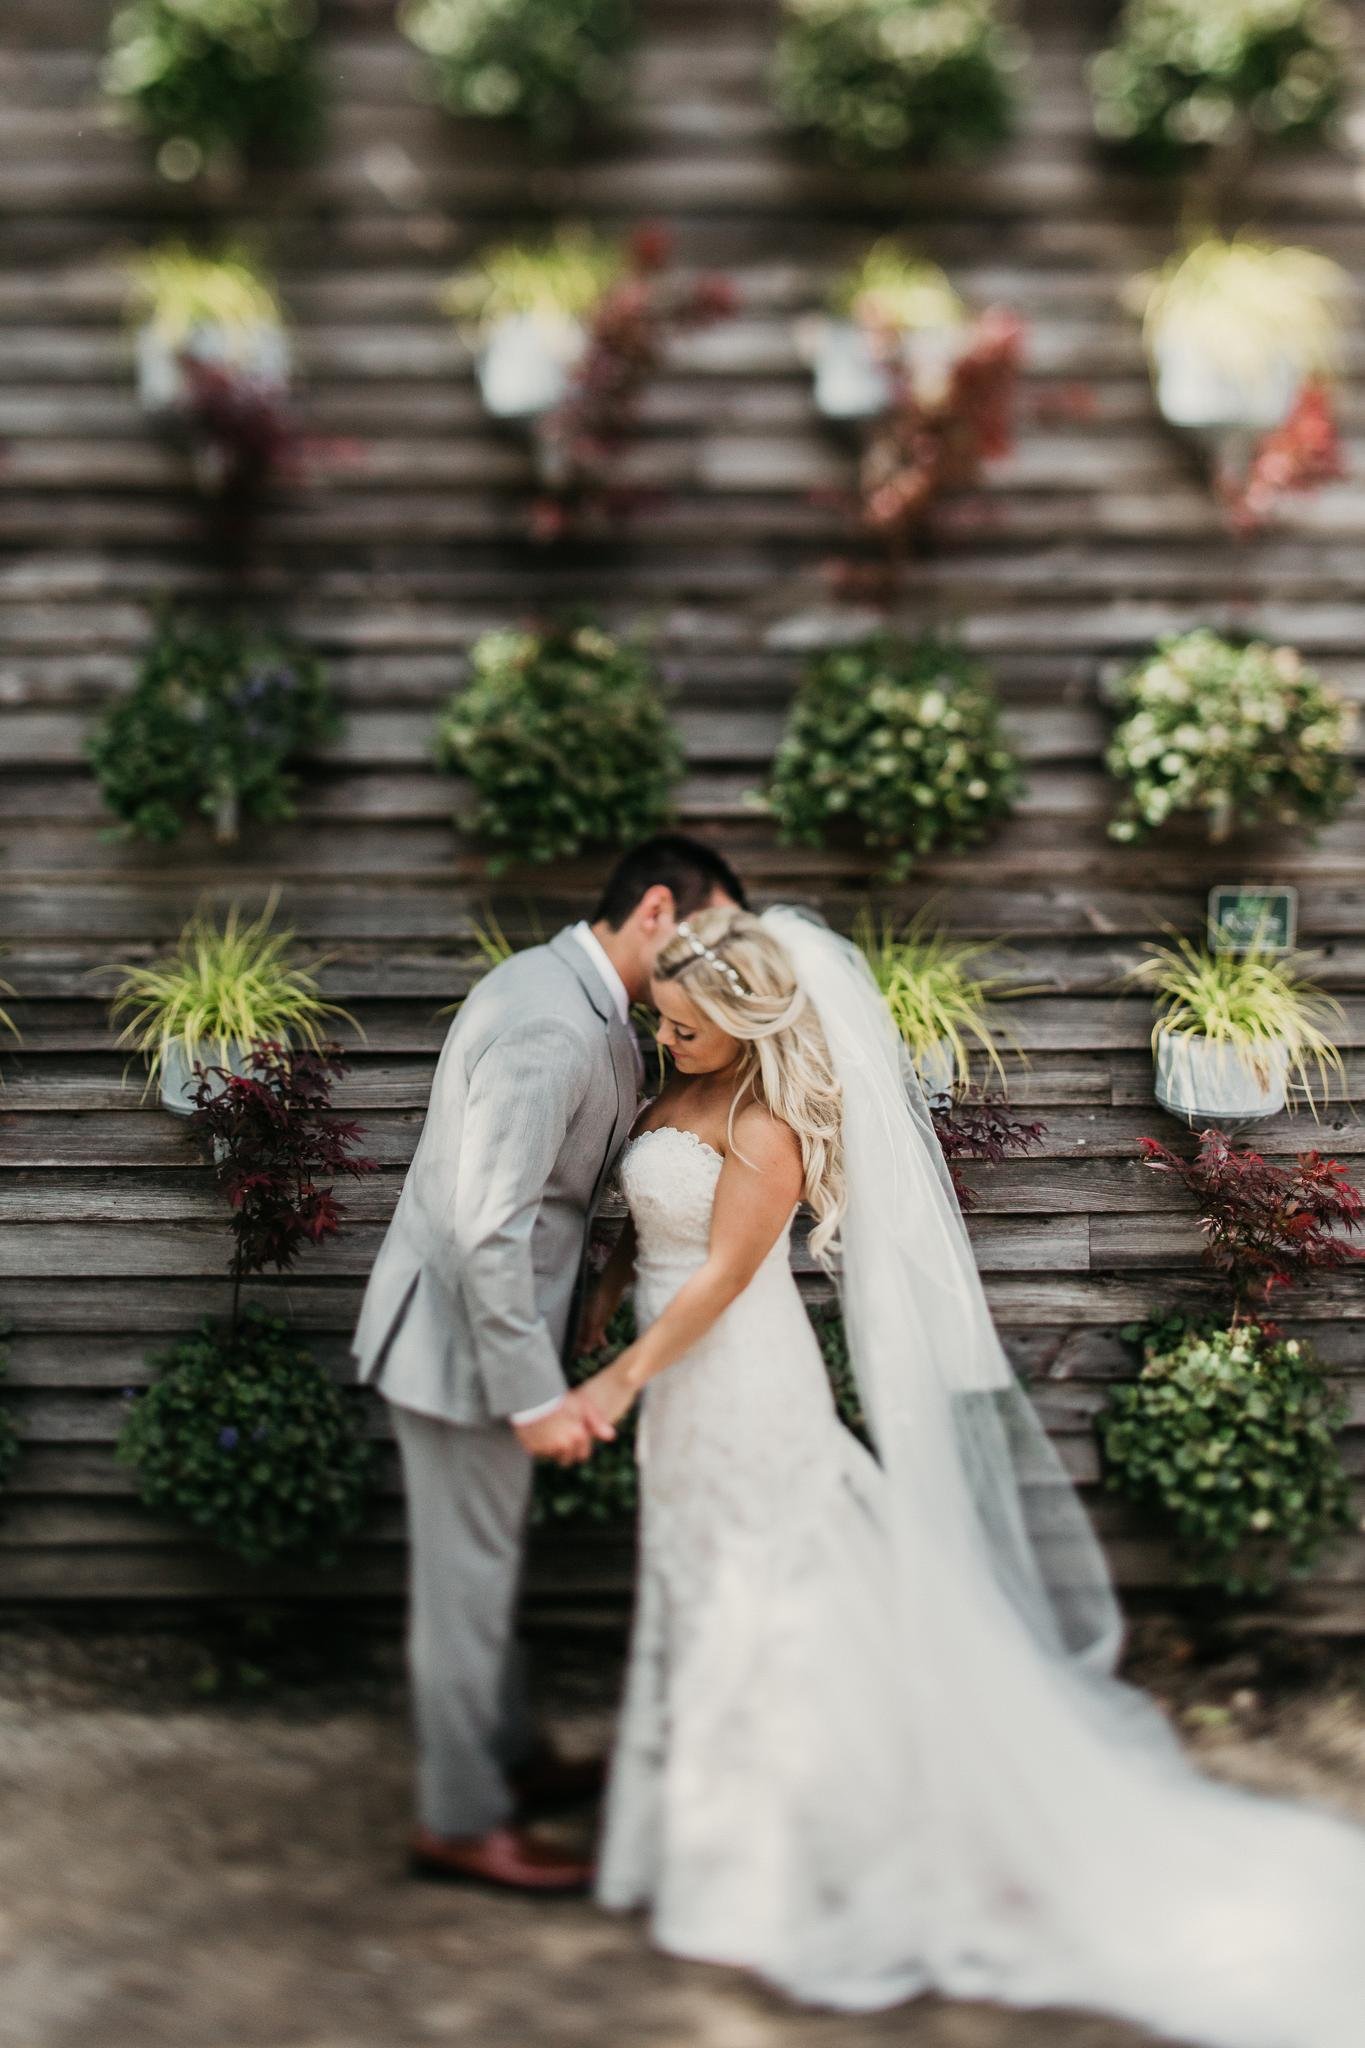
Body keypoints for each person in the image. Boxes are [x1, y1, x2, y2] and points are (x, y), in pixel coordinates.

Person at [575, 904, 1365, 2045]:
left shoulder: (767, 1129)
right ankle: (718, 1828)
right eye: (666, 1023)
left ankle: (823, 1839)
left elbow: (718, 1283)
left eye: (690, 1028)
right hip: (675, 1378)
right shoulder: (675, 1087)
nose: (670, 1040)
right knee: (702, 1581)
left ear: (747, 1025)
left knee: (773, 1584)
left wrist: (614, 1384)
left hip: (739, 1372)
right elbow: (646, 1238)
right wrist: (602, 1297)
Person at [352, 835, 745, 1892]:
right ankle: (461, 1818)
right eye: (707, 935)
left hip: (502, 1330)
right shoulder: (547, 1019)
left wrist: (584, 1308)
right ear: (658, 910)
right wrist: (533, 1393)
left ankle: (510, 1758)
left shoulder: (587, 1000)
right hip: (463, 1350)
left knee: (486, 1569)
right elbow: (491, 1227)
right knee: (464, 1585)